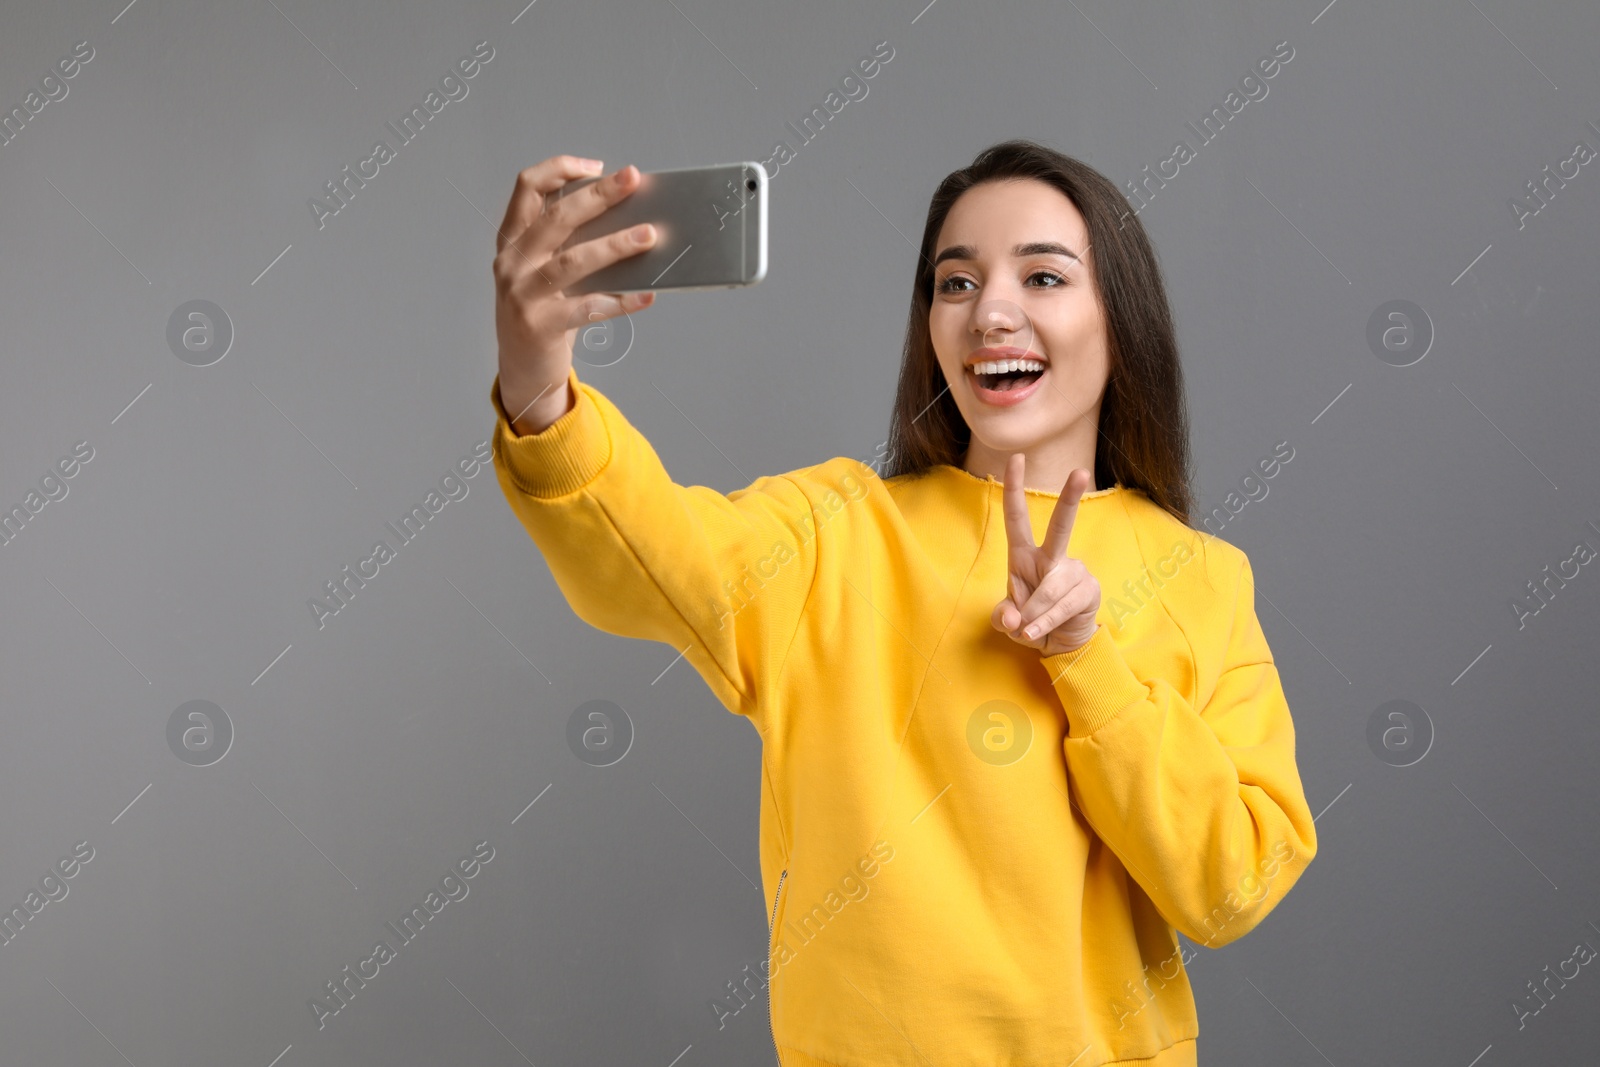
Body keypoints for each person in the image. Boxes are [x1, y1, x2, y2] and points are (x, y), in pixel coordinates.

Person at [486, 140, 1318, 1067]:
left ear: (1119, 316)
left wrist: (1092, 667)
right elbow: (645, 554)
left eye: (1043, 277)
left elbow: (1232, 882)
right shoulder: (835, 533)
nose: (990, 312)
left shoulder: (1202, 576)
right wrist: (536, 385)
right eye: (954, 284)